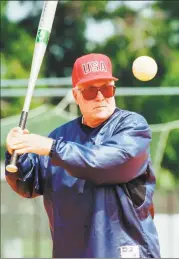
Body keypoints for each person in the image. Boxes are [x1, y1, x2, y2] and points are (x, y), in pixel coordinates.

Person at [5, 53, 160, 258]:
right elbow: (27, 184)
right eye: (89, 91)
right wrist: (16, 152)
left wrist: (50, 147)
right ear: (76, 95)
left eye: (106, 88)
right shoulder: (60, 136)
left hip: (124, 252)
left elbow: (103, 163)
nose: (100, 97)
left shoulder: (133, 127)